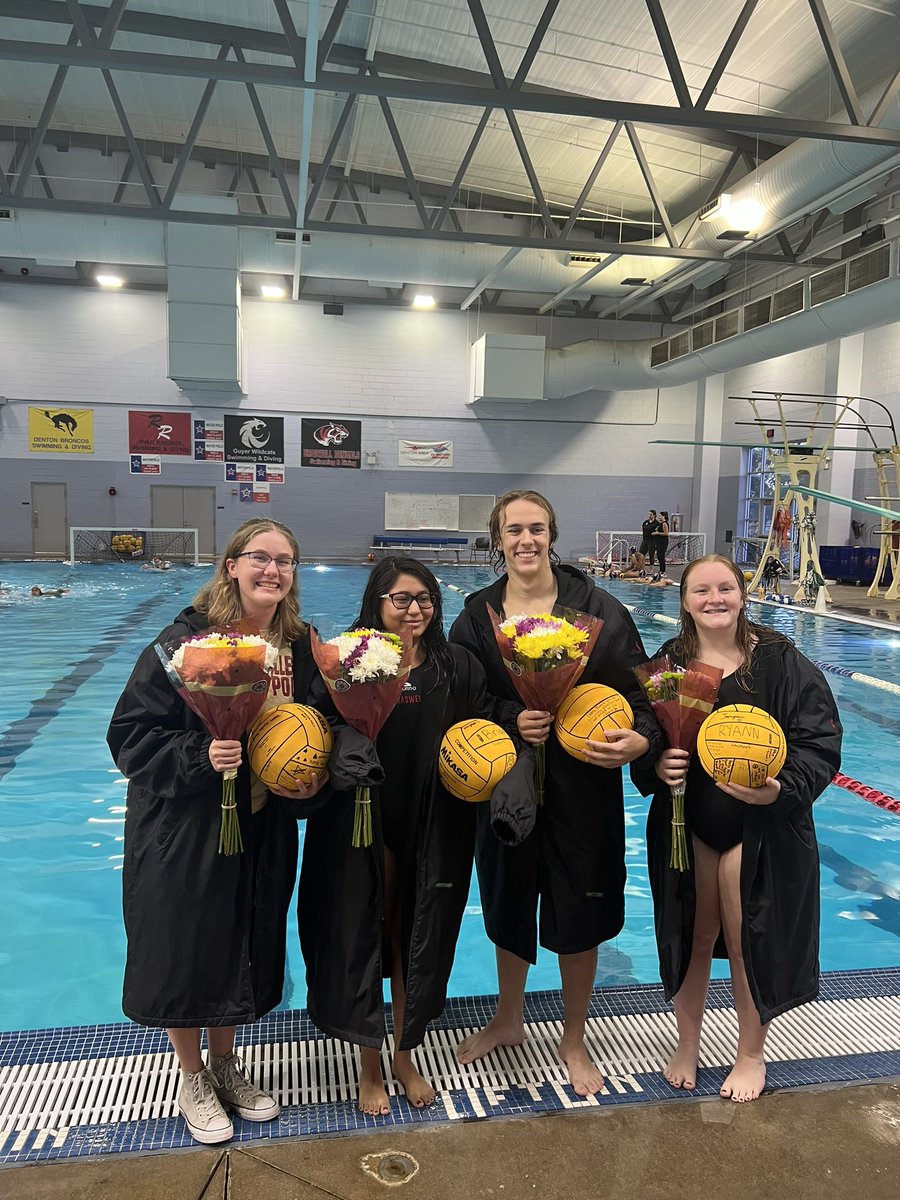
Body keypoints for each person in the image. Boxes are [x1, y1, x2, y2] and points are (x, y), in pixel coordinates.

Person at [107, 518, 328, 1145]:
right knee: (187, 944)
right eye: (260, 558)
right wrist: (199, 756)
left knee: (242, 938)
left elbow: (319, 730)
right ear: (231, 564)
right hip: (186, 825)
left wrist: (314, 776)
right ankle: (192, 1074)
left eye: (285, 562)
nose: (273, 572)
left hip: (260, 825)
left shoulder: (299, 647)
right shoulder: (184, 642)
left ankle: (227, 1064)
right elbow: (129, 736)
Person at [449, 490, 662, 1096]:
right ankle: (509, 1019)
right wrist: (511, 714)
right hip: (507, 780)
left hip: (584, 785)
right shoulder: (476, 614)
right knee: (507, 898)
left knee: (579, 905)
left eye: (536, 528)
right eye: (513, 530)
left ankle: (573, 1039)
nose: (526, 540)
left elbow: (643, 695)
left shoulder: (599, 610)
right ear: (498, 539)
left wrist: (639, 743)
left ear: (553, 534)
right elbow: (461, 696)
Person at [636, 554, 842, 1102]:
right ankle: (688, 1042)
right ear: (684, 601)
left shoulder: (779, 661)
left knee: (746, 935)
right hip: (692, 821)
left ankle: (751, 1053)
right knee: (694, 934)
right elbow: (644, 728)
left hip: (759, 825)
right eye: (701, 590)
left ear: (743, 594)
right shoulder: (670, 664)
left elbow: (819, 743)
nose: (715, 599)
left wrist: (782, 790)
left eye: (725, 588)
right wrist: (655, 763)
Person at [298, 558, 489, 1115]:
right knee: (366, 932)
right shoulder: (350, 660)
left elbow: (482, 723)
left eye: (424, 598)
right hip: (365, 816)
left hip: (432, 821)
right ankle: (369, 1063)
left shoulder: (456, 665)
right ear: (376, 603)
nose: (415, 609)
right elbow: (312, 723)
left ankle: (405, 1053)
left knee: (416, 935)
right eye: (401, 599)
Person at [652, 510, 671, 579]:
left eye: (660, 515)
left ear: (663, 516)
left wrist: (657, 533)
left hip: (663, 542)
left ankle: (663, 571)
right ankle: (661, 570)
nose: (658, 517)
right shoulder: (660, 524)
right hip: (659, 542)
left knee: (661, 556)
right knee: (659, 556)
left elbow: (666, 533)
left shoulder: (664, 523)